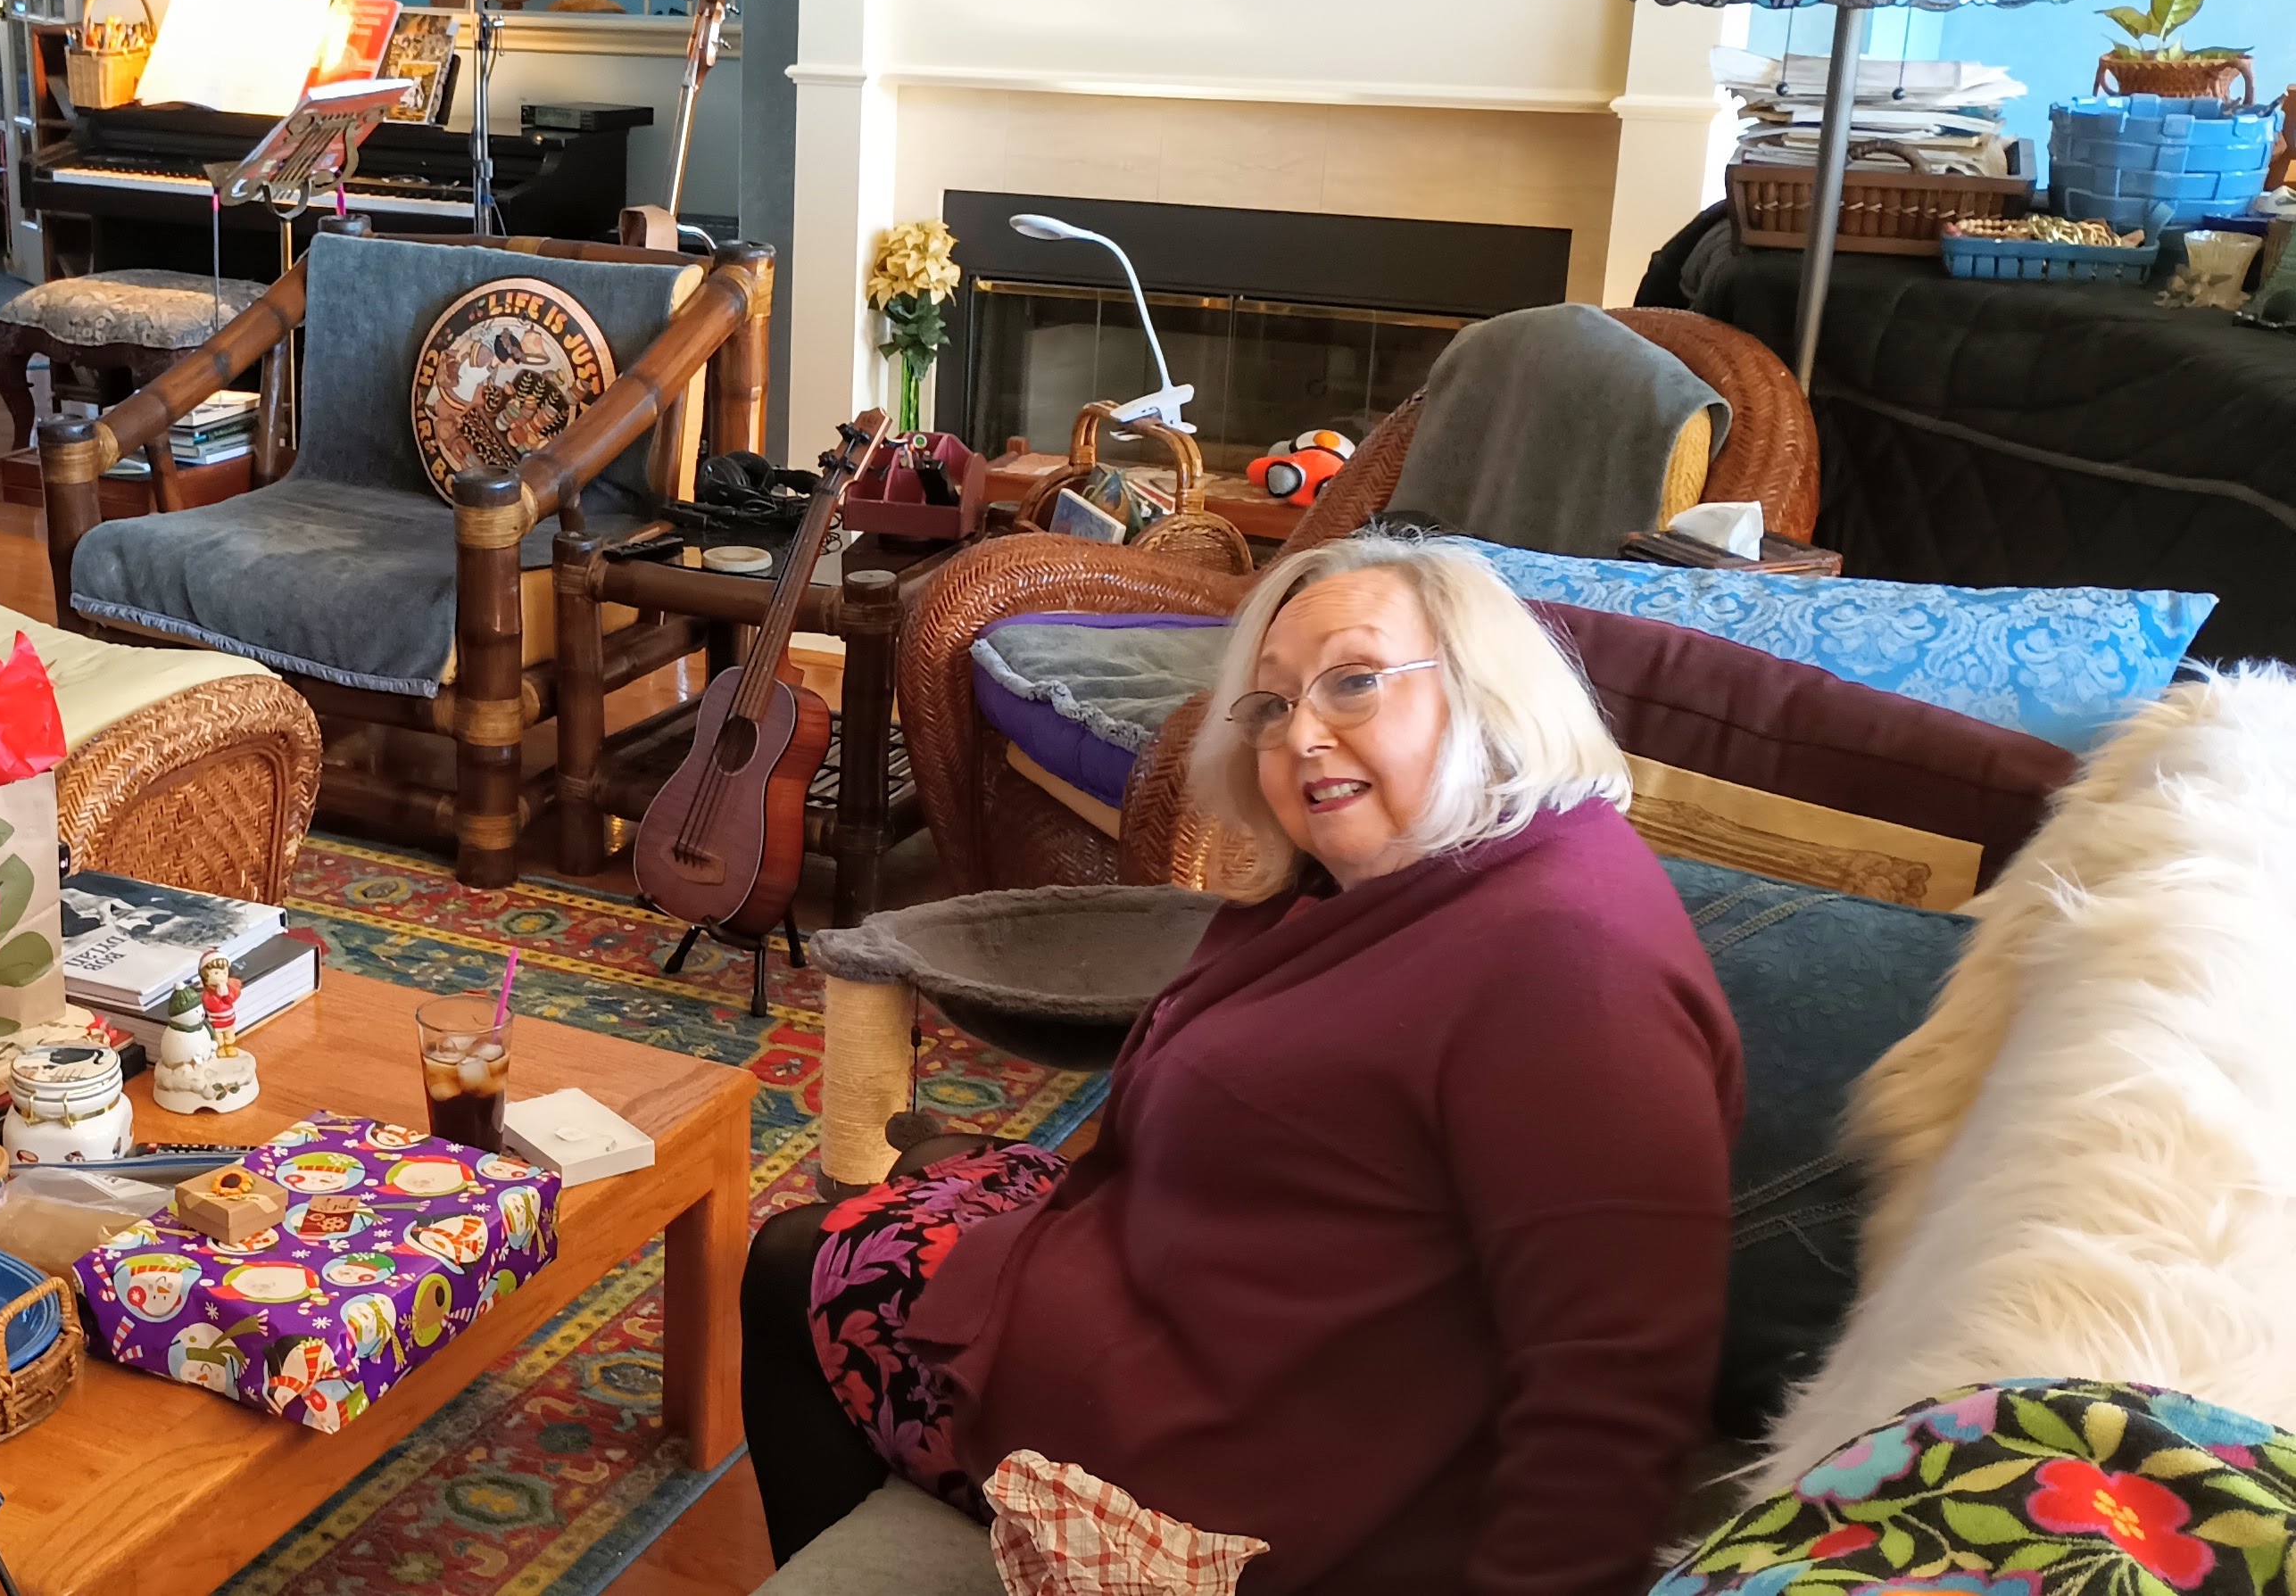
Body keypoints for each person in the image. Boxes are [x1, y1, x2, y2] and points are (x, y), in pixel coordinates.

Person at [744, 533, 1744, 1592]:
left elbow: (1615, 1387)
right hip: (1226, 1315)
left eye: (1355, 682)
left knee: (795, 1260)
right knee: (925, 1172)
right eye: (1271, 704)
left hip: (1249, 1464)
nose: (1302, 733)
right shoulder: (1426, 879)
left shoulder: (1573, 971)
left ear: (1485, 688)